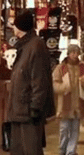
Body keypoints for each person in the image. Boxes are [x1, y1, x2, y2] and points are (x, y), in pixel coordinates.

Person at [6, 9, 55, 155]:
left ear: (20, 27)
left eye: (15, 25)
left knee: (30, 150)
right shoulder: (24, 46)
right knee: (19, 150)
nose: (13, 28)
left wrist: (35, 107)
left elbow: (39, 80)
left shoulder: (35, 46)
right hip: (19, 110)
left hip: (28, 111)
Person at [53, 44, 84, 155]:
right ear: (68, 53)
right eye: (72, 52)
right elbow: (54, 85)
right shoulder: (60, 68)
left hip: (78, 105)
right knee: (64, 130)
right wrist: (65, 87)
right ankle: (62, 150)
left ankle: (71, 152)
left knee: (75, 130)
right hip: (64, 106)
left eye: (76, 53)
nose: (75, 55)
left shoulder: (83, 68)